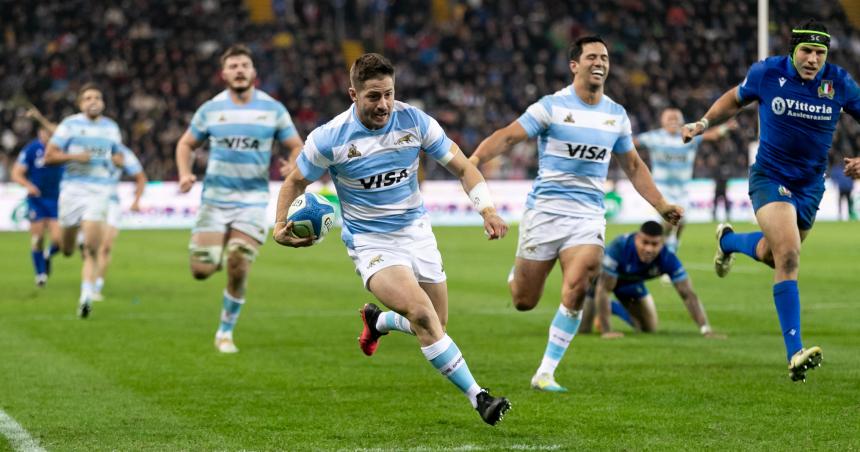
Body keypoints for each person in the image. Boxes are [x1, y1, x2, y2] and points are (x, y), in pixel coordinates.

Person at [272, 53, 512, 426]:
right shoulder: (329, 138)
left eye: (388, 94)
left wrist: (488, 210)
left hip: (417, 233)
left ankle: (378, 322)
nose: (383, 104)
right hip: (371, 242)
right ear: (353, 94)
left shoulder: (415, 121)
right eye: (373, 96)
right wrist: (278, 226)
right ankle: (480, 397)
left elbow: (464, 167)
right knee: (423, 316)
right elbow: (295, 181)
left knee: (436, 325)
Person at [469, 36, 683, 393]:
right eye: (592, 57)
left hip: (587, 215)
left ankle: (545, 372)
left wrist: (661, 204)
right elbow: (508, 137)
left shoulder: (616, 115)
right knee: (524, 300)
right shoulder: (551, 107)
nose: (600, 62)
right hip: (545, 212)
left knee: (580, 281)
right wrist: (474, 161)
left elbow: (633, 165)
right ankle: (518, 274)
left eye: (605, 58)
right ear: (574, 65)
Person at [682, 21, 860, 382]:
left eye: (820, 53)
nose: (813, 59)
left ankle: (728, 241)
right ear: (792, 50)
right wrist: (702, 123)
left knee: (772, 255)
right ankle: (795, 353)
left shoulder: (839, 82)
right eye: (806, 51)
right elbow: (734, 98)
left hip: (810, 186)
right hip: (770, 177)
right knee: (789, 255)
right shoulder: (767, 73)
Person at [175, 44, 304, 353]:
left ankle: (225, 332)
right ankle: (217, 252)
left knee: (238, 263)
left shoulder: (273, 109)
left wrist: (293, 164)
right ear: (224, 74)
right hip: (214, 200)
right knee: (201, 270)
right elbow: (186, 144)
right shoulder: (211, 109)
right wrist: (184, 173)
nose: (239, 70)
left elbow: (296, 145)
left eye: (244, 65)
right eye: (233, 66)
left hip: (252, 200)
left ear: (253, 72)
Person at [45, 84, 126, 318]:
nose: (93, 101)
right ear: (81, 104)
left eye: (97, 97)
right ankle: (67, 244)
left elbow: (120, 156)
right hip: (72, 192)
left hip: (99, 192)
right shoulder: (69, 125)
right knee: (67, 249)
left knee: (91, 249)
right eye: (88, 98)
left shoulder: (111, 128)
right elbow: (49, 156)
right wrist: (74, 156)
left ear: (103, 102)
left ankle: (86, 297)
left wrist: (116, 160)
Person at [578, 221, 724, 338]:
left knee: (649, 328)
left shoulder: (667, 257)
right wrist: (607, 331)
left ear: (662, 243)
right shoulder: (620, 246)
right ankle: (601, 309)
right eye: (645, 242)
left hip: (631, 284)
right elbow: (603, 289)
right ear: (637, 238)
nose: (649, 249)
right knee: (583, 330)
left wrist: (706, 329)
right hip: (598, 285)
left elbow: (688, 294)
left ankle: (613, 307)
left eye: (654, 244)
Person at [636, 108, 735, 252]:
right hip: (663, 189)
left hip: (683, 189)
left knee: (682, 221)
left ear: (682, 122)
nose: (673, 122)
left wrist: (725, 127)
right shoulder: (654, 137)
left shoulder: (689, 137)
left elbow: (712, 135)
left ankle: (674, 241)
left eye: (676, 119)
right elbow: (632, 142)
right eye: (670, 119)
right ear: (662, 121)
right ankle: (666, 247)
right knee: (669, 221)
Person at [10, 108, 62, 287]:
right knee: (37, 238)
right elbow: (16, 173)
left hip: (57, 200)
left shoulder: (62, 148)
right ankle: (40, 275)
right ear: (40, 132)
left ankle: (48, 254)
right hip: (37, 200)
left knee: (59, 241)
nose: (48, 134)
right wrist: (28, 185)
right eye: (45, 131)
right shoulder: (32, 149)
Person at [91, 145, 147, 301]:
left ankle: (97, 287)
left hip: (111, 203)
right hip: (90, 200)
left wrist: (136, 201)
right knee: (90, 246)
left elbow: (141, 177)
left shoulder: (123, 152)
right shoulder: (92, 146)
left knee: (106, 247)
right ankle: (90, 279)